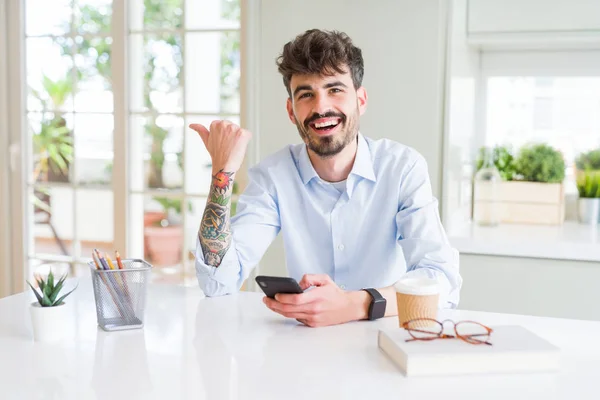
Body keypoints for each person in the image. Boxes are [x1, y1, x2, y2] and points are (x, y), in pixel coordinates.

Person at [190, 29, 462, 328]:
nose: (320, 107)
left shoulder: (402, 168)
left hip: (384, 344)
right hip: (305, 353)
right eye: (306, 94)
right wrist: (222, 174)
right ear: (291, 111)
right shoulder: (273, 176)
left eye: (335, 89)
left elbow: (441, 282)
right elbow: (218, 283)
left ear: (361, 100)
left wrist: (355, 303)